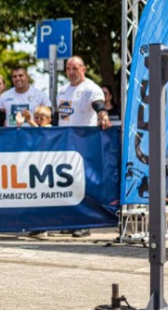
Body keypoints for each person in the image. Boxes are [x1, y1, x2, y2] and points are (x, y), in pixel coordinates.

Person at [56, 55, 111, 238]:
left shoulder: (90, 88)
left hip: (84, 143)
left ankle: (85, 224)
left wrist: (102, 114)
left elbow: (98, 104)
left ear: (84, 69)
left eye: (75, 68)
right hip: (65, 144)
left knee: (83, 184)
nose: (71, 72)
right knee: (68, 183)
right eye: (69, 69)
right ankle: (72, 221)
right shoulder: (63, 90)